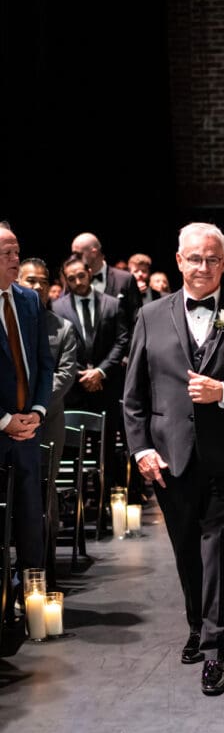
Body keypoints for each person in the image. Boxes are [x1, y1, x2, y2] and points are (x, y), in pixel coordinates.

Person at [123, 222, 224, 697]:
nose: (203, 267)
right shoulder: (151, 316)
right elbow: (133, 395)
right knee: (187, 551)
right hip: (169, 459)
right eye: (195, 258)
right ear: (178, 261)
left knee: (219, 551)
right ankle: (198, 625)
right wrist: (141, 448)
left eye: (212, 259)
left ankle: (216, 649)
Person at [0, 227, 54, 618]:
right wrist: (4, 420)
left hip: (29, 429)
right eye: (6, 252)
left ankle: (30, 598)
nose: (15, 259)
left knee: (30, 518)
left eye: (17, 250)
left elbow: (43, 363)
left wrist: (37, 411)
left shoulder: (29, 299)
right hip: (1, 428)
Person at [52, 255, 129, 520]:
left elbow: (122, 341)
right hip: (75, 389)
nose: (76, 281)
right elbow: (57, 348)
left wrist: (100, 371)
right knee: (73, 448)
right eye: (70, 278)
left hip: (106, 386)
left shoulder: (111, 303)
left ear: (88, 272)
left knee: (105, 447)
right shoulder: (57, 306)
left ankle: (105, 504)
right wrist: (80, 374)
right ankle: (75, 504)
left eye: (80, 276)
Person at [17, 258, 78, 577]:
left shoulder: (62, 327)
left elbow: (65, 374)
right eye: (31, 280)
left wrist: (33, 406)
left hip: (48, 419)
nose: (38, 286)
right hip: (10, 421)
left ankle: (46, 568)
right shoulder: (11, 317)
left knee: (45, 492)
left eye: (43, 281)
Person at [71, 232, 142, 335]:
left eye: (78, 254)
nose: (74, 258)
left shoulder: (125, 279)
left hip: (123, 347)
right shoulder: (74, 282)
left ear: (94, 252)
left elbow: (136, 319)